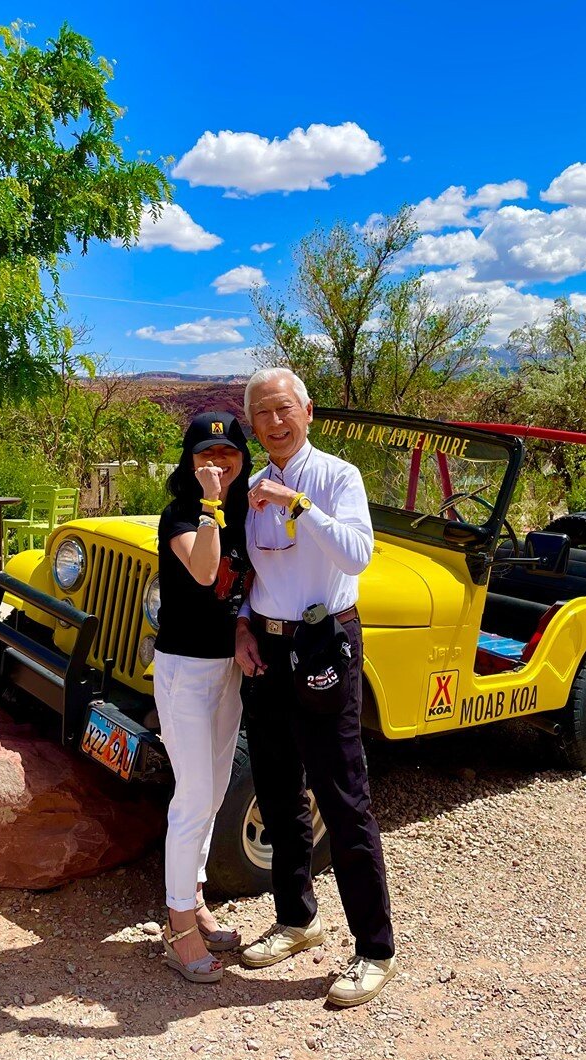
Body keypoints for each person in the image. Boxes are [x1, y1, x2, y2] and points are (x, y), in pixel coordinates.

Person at [234, 368, 398, 1008]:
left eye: (284, 410)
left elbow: (358, 554)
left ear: (307, 411)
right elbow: (255, 573)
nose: (274, 423)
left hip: (325, 639)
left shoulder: (337, 477)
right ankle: (297, 919)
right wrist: (245, 627)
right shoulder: (250, 488)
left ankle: (375, 948)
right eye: (262, 415)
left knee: (342, 792)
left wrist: (298, 505)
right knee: (278, 789)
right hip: (269, 647)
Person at [154, 411, 254, 984]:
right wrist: (213, 503)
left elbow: (241, 588)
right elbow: (203, 570)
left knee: (215, 792)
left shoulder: (242, 515)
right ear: (188, 463)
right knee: (192, 796)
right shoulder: (182, 515)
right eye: (204, 456)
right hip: (184, 671)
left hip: (226, 671)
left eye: (228, 455)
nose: (217, 464)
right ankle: (178, 928)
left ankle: (193, 899)